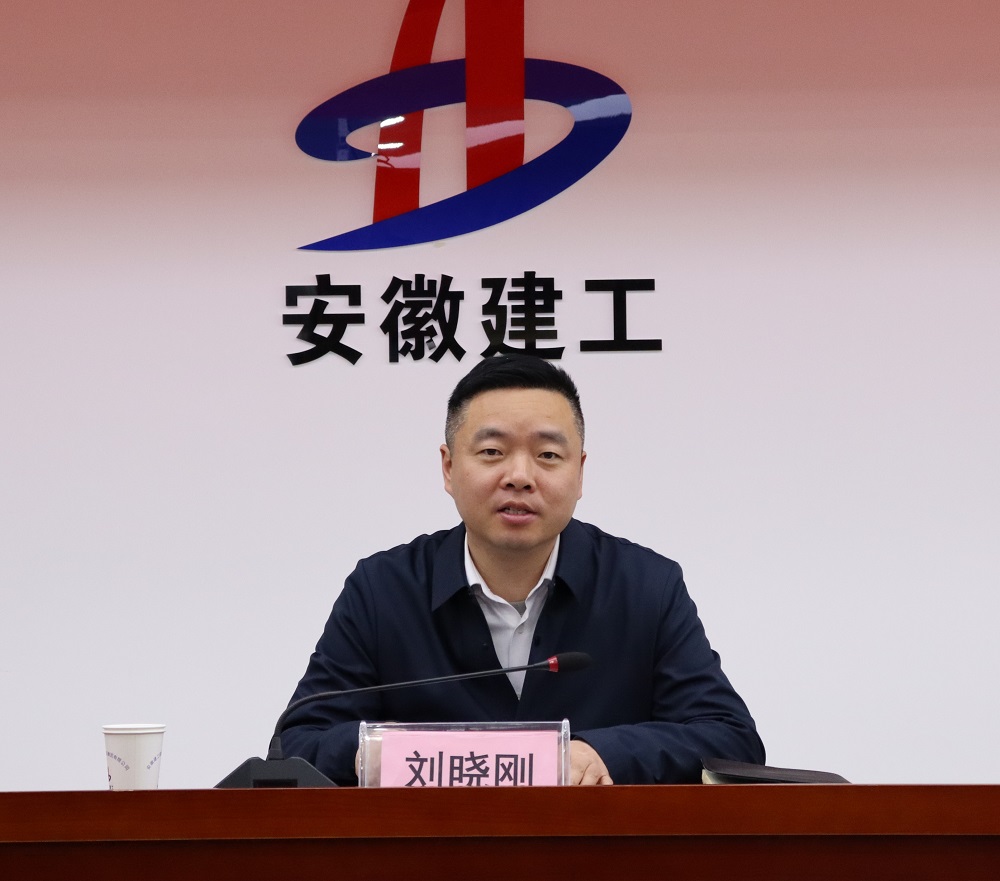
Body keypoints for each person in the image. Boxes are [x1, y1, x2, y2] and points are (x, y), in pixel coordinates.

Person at [281, 355, 764, 784]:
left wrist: (602, 754)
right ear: (448, 468)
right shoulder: (382, 591)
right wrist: (393, 753)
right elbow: (296, 745)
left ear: (580, 472)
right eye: (492, 452)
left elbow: (730, 740)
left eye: (548, 455)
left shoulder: (644, 587)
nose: (519, 476)